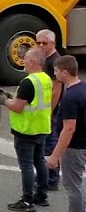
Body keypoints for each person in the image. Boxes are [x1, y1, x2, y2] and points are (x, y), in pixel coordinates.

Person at [0, 47, 52, 211]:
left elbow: (18, 107)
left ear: (32, 62)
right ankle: (42, 196)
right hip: (42, 127)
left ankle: (27, 200)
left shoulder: (28, 82)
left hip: (26, 129)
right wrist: (10, 95)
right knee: (40, 162)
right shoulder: (45, 79)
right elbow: (31, 100)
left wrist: (2, 100)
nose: (23, 61)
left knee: (26, 165)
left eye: (25, 59)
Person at [47, 55, 86, 212]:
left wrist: (55, 156)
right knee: (79, 184)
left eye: (55, 71)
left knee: (73, 186)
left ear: (64, 72)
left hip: (74, 147)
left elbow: (69, 128)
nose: (54, 74)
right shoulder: (83, 88)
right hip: (83, 143)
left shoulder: (70, 96)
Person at [37, 30, 63, 190]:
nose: (40, 45)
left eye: (44, 43)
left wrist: (49, 111)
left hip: (52, 110)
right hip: (47, 110)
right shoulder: (46, 59)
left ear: (52, 43)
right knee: (46, 142)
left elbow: (56, 90)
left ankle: (52, 178)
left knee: (50, 142)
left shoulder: (55, 61)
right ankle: (46, 175)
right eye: (38, 42)